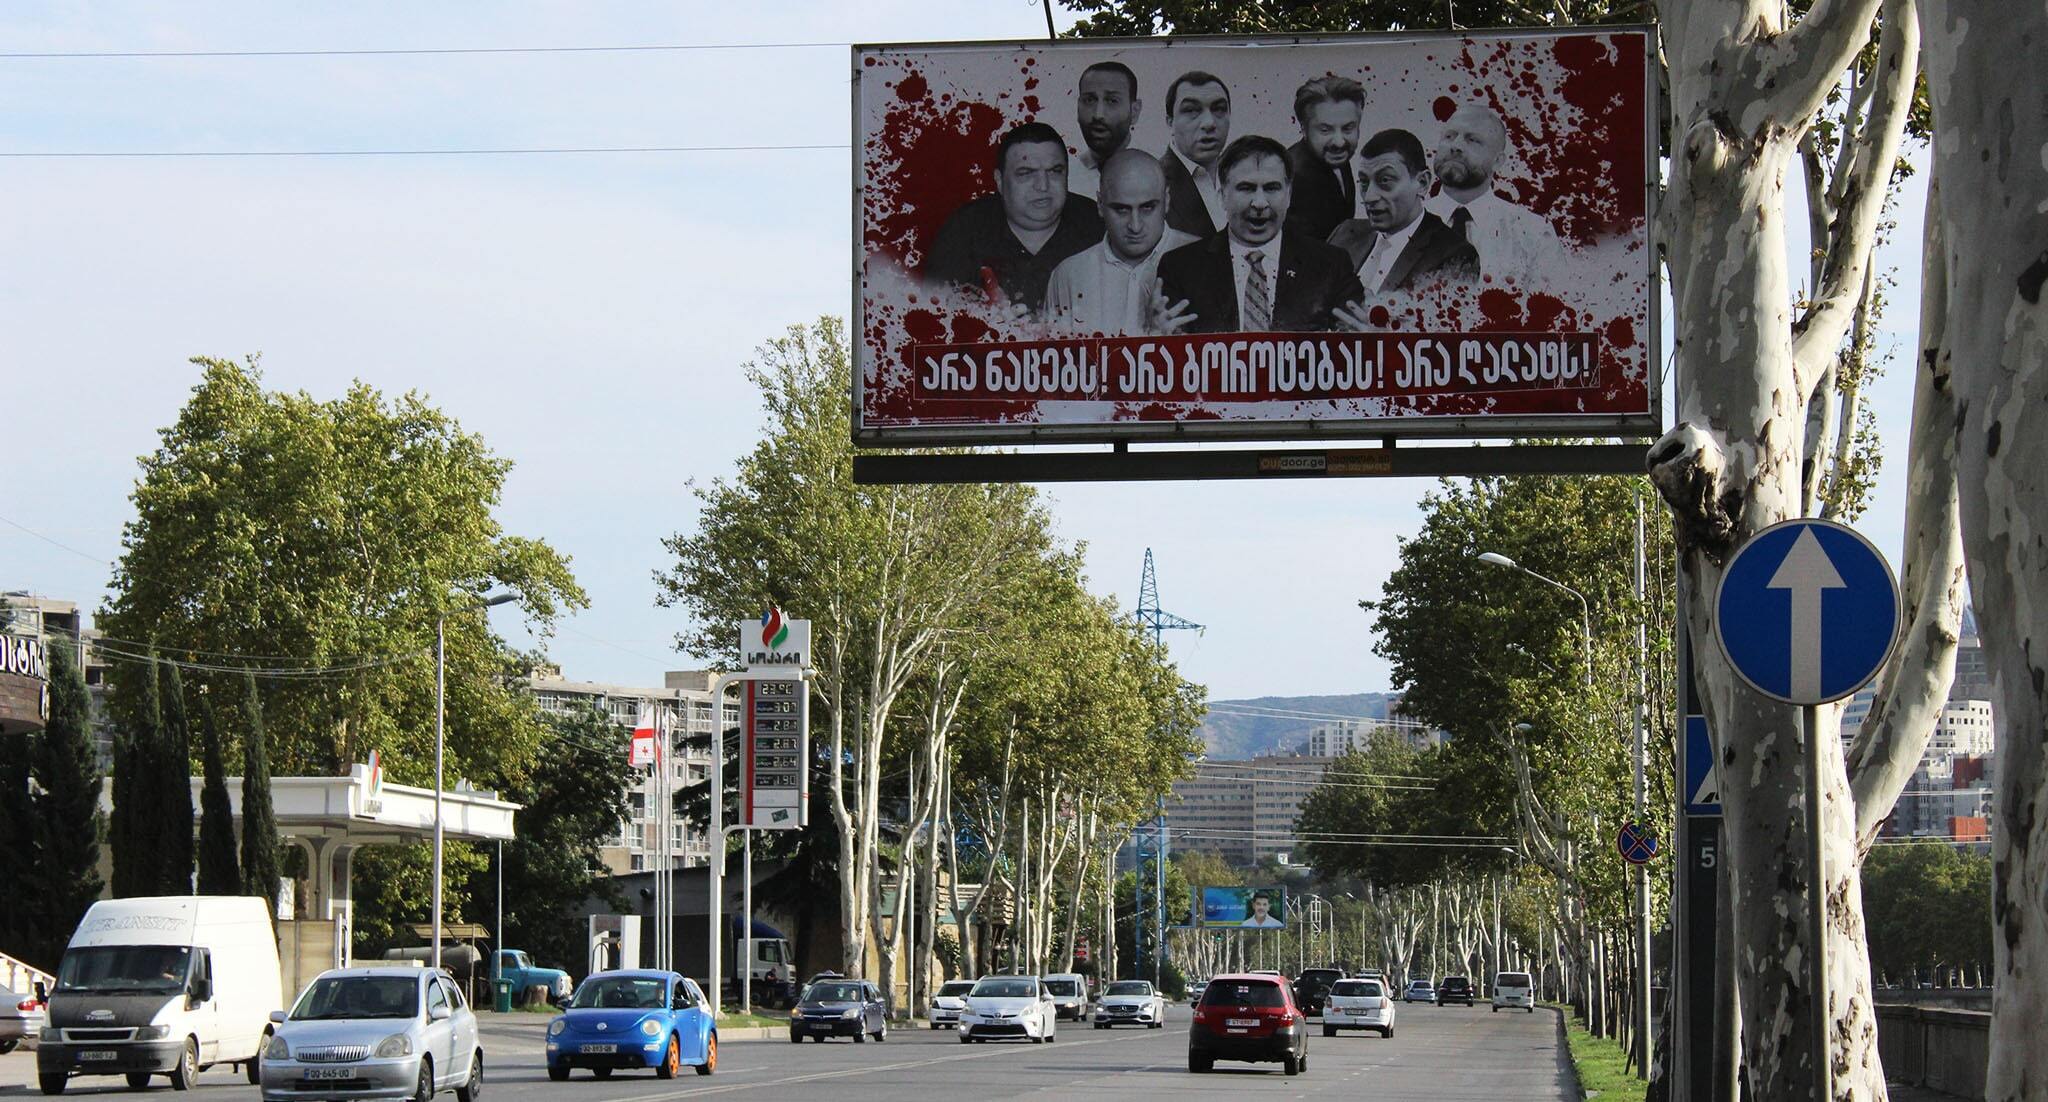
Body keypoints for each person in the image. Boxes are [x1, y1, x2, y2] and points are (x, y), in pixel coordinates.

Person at [1153, 135, 1363, 334]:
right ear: (1222, 196)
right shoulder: (1180, 269)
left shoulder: (1331, 266)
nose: (1260, 203)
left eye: (1271, 188)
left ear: (1288, 195)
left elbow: (1357, 345)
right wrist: (1161, 340)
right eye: (1246, 188)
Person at [921, 121, 1105, 316]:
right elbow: (934, 321)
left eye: (1054, 171)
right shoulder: (962, 233)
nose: (1043, 186)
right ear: (1000, 181)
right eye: (1026, 173)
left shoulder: (1100, 226)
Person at [1045, 150, 1197, 335]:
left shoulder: (1206, 262)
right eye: (1121, 210)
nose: (1135, 226)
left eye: (1147, 207)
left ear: (1167, 200)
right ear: (1100, 204)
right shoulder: (1067, 275)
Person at [1328, 128, 1480, 300]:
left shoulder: (1455, 256)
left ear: (1422, 183)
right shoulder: (1345, 233)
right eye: (1364, 182)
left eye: (1385, 180)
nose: (1369, 197)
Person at [1424, 104, 1562, 286]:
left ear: (1497, 161)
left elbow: (1554, 301)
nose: (1456, 146)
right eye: (1449, 136)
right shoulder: (1397, 226)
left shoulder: (1533, 233)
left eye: (1473, 140)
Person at [1284, 76, 1365, 241]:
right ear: (1304, 129)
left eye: (1348, 128)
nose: (1339, 142)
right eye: (1325, 130)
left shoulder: (1331, 156)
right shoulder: (1293, 177)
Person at [1157, 71, 1232, 237]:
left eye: (1219, 109)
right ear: (1170, 122)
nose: (1209, 123)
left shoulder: (1240, 176)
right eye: (1191, 110)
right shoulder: (1152, 184)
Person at [1068, 61, 1144, 201]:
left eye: (1112, 101)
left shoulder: (1159, 172)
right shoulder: (1065, 178)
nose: (1098, 114)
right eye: (1089, 100)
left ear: (1135, 111)